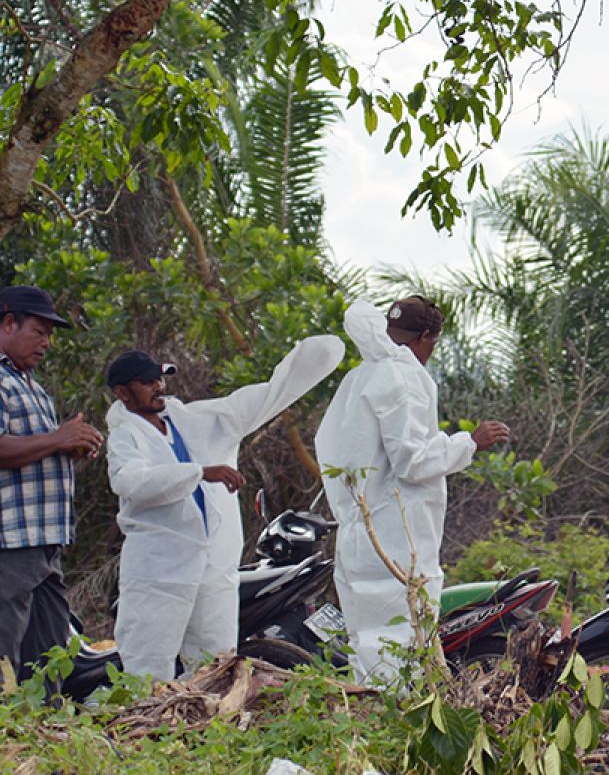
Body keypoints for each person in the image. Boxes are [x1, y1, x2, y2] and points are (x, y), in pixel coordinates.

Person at [105, 335, 344, 681]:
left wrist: (308, 365)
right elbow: (132, 483)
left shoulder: (195, 420)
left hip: (214, 565)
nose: (159, 387)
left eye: (160, 378)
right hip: (159, 570)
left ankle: (208, 731)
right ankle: (149, 733)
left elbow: (258, 400)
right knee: (147, 667)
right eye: (146, 382)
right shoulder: (125, 438)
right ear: (122, 393)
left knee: (216, 665)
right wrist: (200, 473)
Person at [315, 297, 509, 685]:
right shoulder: (405, 378)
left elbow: (331, 446)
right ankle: (396, 734)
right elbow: (413, 461)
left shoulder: (359, 378)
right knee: (403, 646)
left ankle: (370, 735)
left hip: (361, 537)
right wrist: (469, 442)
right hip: (398, 540)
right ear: (425, 338)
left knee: (368, 646)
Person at [0, 285, 103, 681]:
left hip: (46, 543)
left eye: (50, 336)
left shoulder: (34, 388)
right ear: (9, 323)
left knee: (49, 656)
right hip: (9, 543)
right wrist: (59, 439)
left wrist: (70, 449)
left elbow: (31, 451)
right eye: (39, 332)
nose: (46, 343)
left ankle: (38, 734)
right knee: (4, 651)